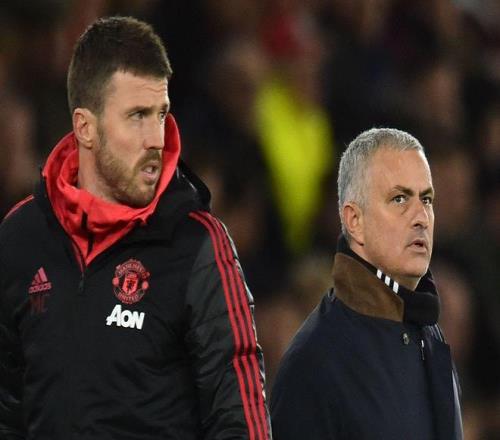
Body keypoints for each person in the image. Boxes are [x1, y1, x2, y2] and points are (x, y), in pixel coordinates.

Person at [0, 16, 271, 440]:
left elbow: (240, 419)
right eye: (137, 116)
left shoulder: (198, 244)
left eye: (161, 114)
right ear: (85, 127)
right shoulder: (21, 236)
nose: (156, 139)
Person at [271, 128, 463, 439]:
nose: (421, 217)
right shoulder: (315, 362)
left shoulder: (430, 333)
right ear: (354, 221)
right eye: (399, 199)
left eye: (426, 199)